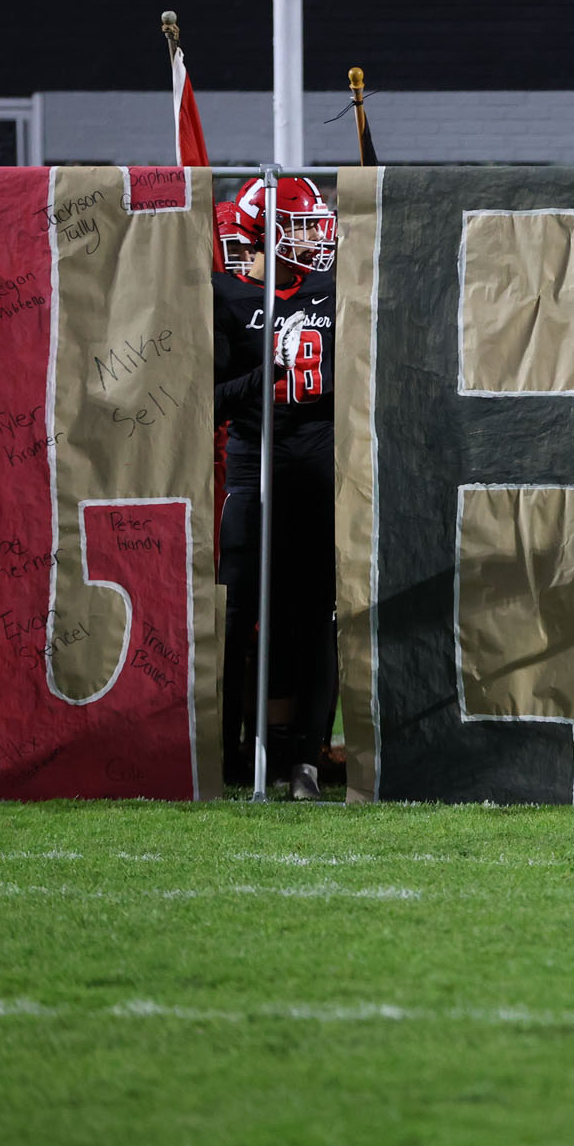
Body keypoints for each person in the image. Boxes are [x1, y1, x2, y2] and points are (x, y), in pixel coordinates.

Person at [212, 176, 339, 800]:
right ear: (265, 232)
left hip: (318, 475)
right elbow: (199, 401)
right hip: (252, 473)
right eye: (304, 225)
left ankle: (303, 760)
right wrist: (264, 374)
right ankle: (232, 750)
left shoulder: (333, 290)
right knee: (236, 618)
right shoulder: (228, 298)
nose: (317, 235)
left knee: (313, 619)